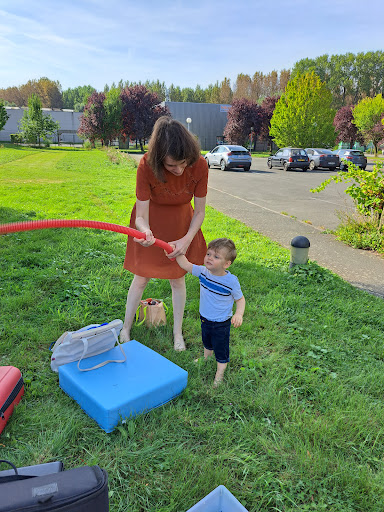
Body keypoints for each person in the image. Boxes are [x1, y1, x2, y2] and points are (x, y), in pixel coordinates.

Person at [120, 116, 208, 351]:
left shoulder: (200, 164)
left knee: (177, 279)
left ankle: (177, 334)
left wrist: (186, 240)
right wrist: (146, 231)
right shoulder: (146, 165)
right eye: (171, 166)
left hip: (182, 224)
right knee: (141, 278)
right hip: (151, 220)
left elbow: (199, 212)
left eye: (183, 163)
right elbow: (141, 215)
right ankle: (125, 329)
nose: (179, 170)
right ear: (159, 160)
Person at [175, 238, 245, 386]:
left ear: (226, 264)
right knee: (206, 341)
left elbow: (240, 299)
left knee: (220, 347)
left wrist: (239, 314)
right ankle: (206, 357)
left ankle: (219, 373)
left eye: (216, 256)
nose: (209, 258)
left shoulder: (231, 281)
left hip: (221, 323)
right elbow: (185, 264)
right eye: (208, 254)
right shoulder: (203, 272)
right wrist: (174, 251)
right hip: (205, 318)